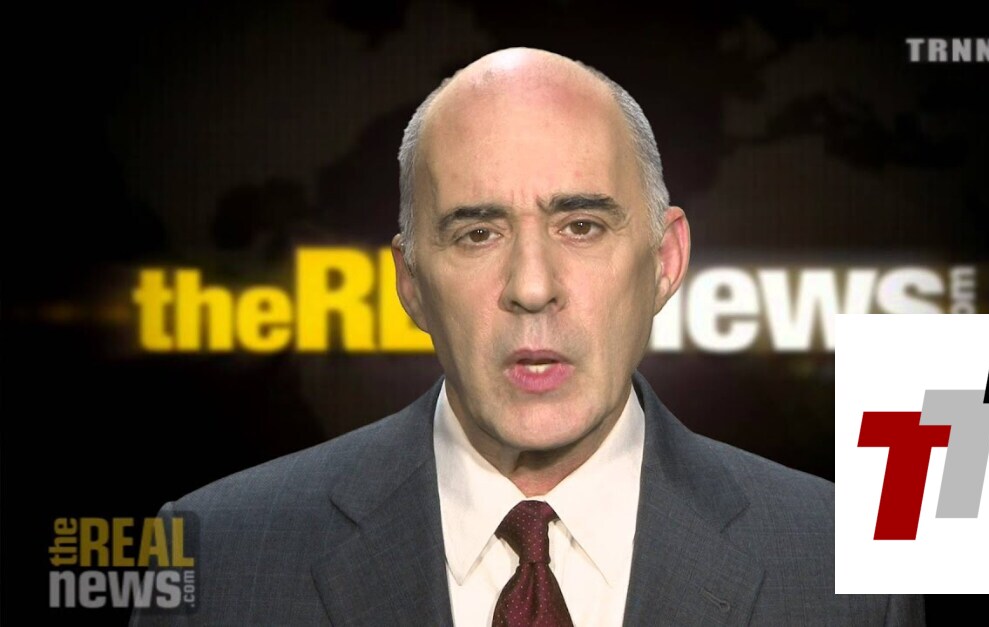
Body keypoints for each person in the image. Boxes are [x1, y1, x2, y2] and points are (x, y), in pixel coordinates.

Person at [133, 47, 924, 626]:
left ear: (665, 259)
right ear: (411, 281)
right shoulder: (215, 558)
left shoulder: (845, 567)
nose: (532, 285)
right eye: (477, 233)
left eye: (581, 224)